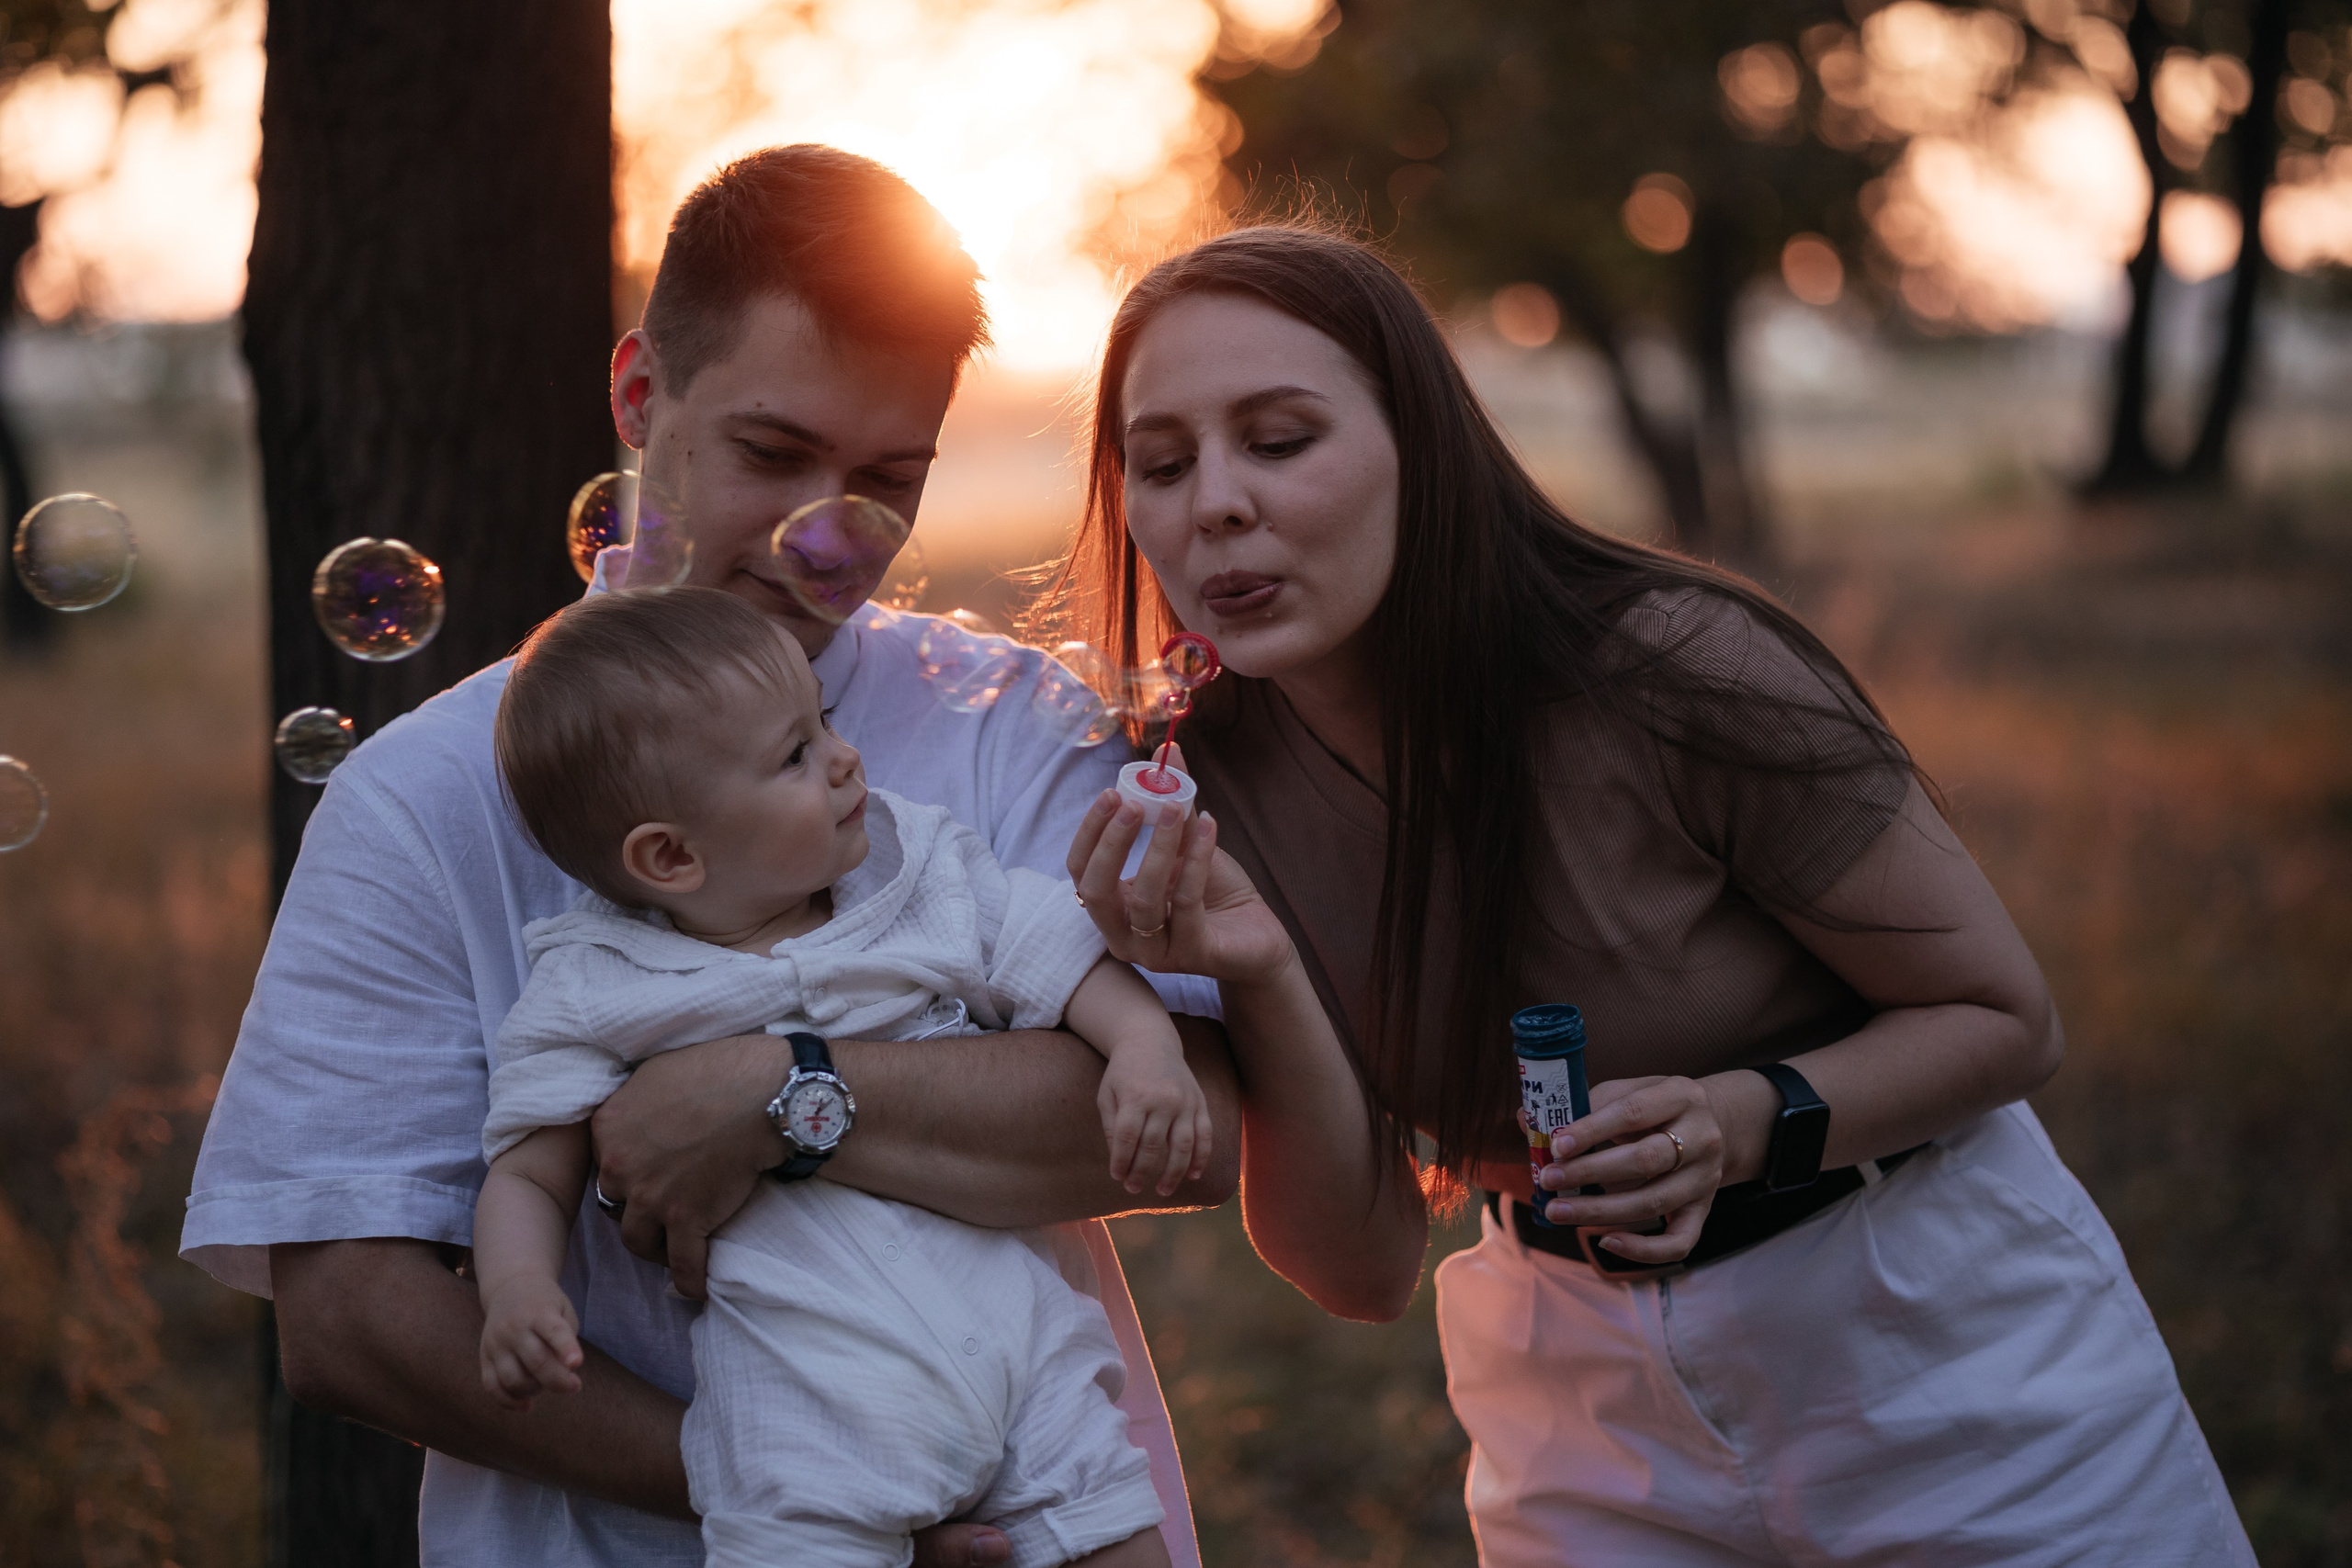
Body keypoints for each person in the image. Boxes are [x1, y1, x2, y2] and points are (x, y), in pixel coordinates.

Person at [1054, 225, 2257, 1567]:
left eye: (1279, 440)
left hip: (1933, 1331)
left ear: (1424, 446)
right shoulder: (1193, 784)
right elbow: (1359, 1267)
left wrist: (1742, 1118)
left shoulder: (1672, 670)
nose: (1214, 501)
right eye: (1161, 465)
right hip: (1576, 1395)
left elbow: (2005, 1018)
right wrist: (1263, 967)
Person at [181, 146, 1240, 1568]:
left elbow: (1198, 1121)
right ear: (639, 396)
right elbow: (348, 1313)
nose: (828, 538)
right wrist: (793, 1478)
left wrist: (786, 1090)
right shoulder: (414, 794)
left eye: (888, 478)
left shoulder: (1009, 725)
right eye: (771, 453)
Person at [476, 587, 1200, 1566]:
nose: (843, 756)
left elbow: (1063, 960)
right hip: (805, 1412)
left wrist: (1147, 1050)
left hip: (1025, 1352)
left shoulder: (918, 874)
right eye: (793, 756)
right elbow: (527, 1168)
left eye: (823, 721)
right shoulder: (596, 983)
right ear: (670, 856)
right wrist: (518, 1287)